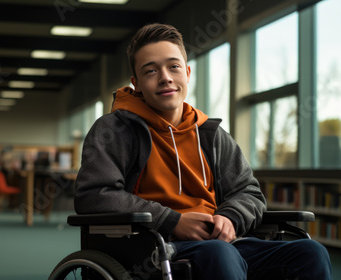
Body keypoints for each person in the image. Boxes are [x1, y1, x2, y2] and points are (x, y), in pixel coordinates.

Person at [73, 23, 332, 280]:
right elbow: (94, 194)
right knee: (219, 254)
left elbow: (248, 191)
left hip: (219, 243)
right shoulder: (114, 129)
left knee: (310, 253)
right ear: (136, 83)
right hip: (149, 246)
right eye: (150, 71)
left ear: (187, 73)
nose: (165, 77)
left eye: (173, 66)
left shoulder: (210, 134)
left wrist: (230, 218)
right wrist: (171, 221)